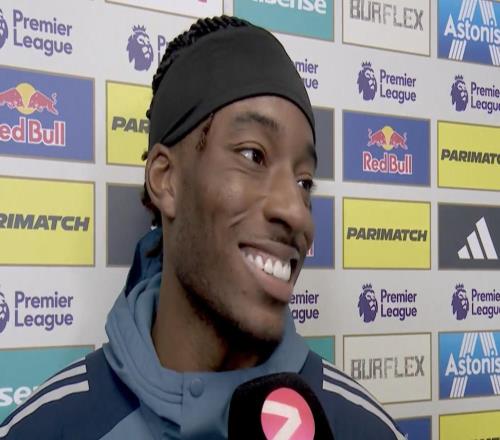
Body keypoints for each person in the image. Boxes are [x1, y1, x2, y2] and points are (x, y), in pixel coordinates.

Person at [0, 16, 406, 439]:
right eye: (253, 155)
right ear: (166, 179)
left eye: (304, 182)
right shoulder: (46, 429)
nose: (296, 211)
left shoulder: (364, 429)